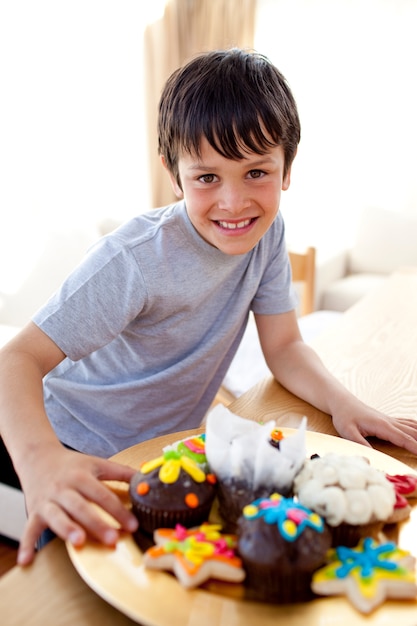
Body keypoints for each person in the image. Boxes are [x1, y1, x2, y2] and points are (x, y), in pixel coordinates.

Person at [1, 48, 417, 567]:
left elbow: (285, 346)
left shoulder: (268, 235)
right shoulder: (133, 260)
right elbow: (12, 362)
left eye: (256, 172)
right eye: (206, 178)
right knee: (74, 588)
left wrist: (345, 402)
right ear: (174, 176)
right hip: (76, 451)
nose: (234, 202)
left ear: (287, 168)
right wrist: (43, 463)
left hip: (164, 454)